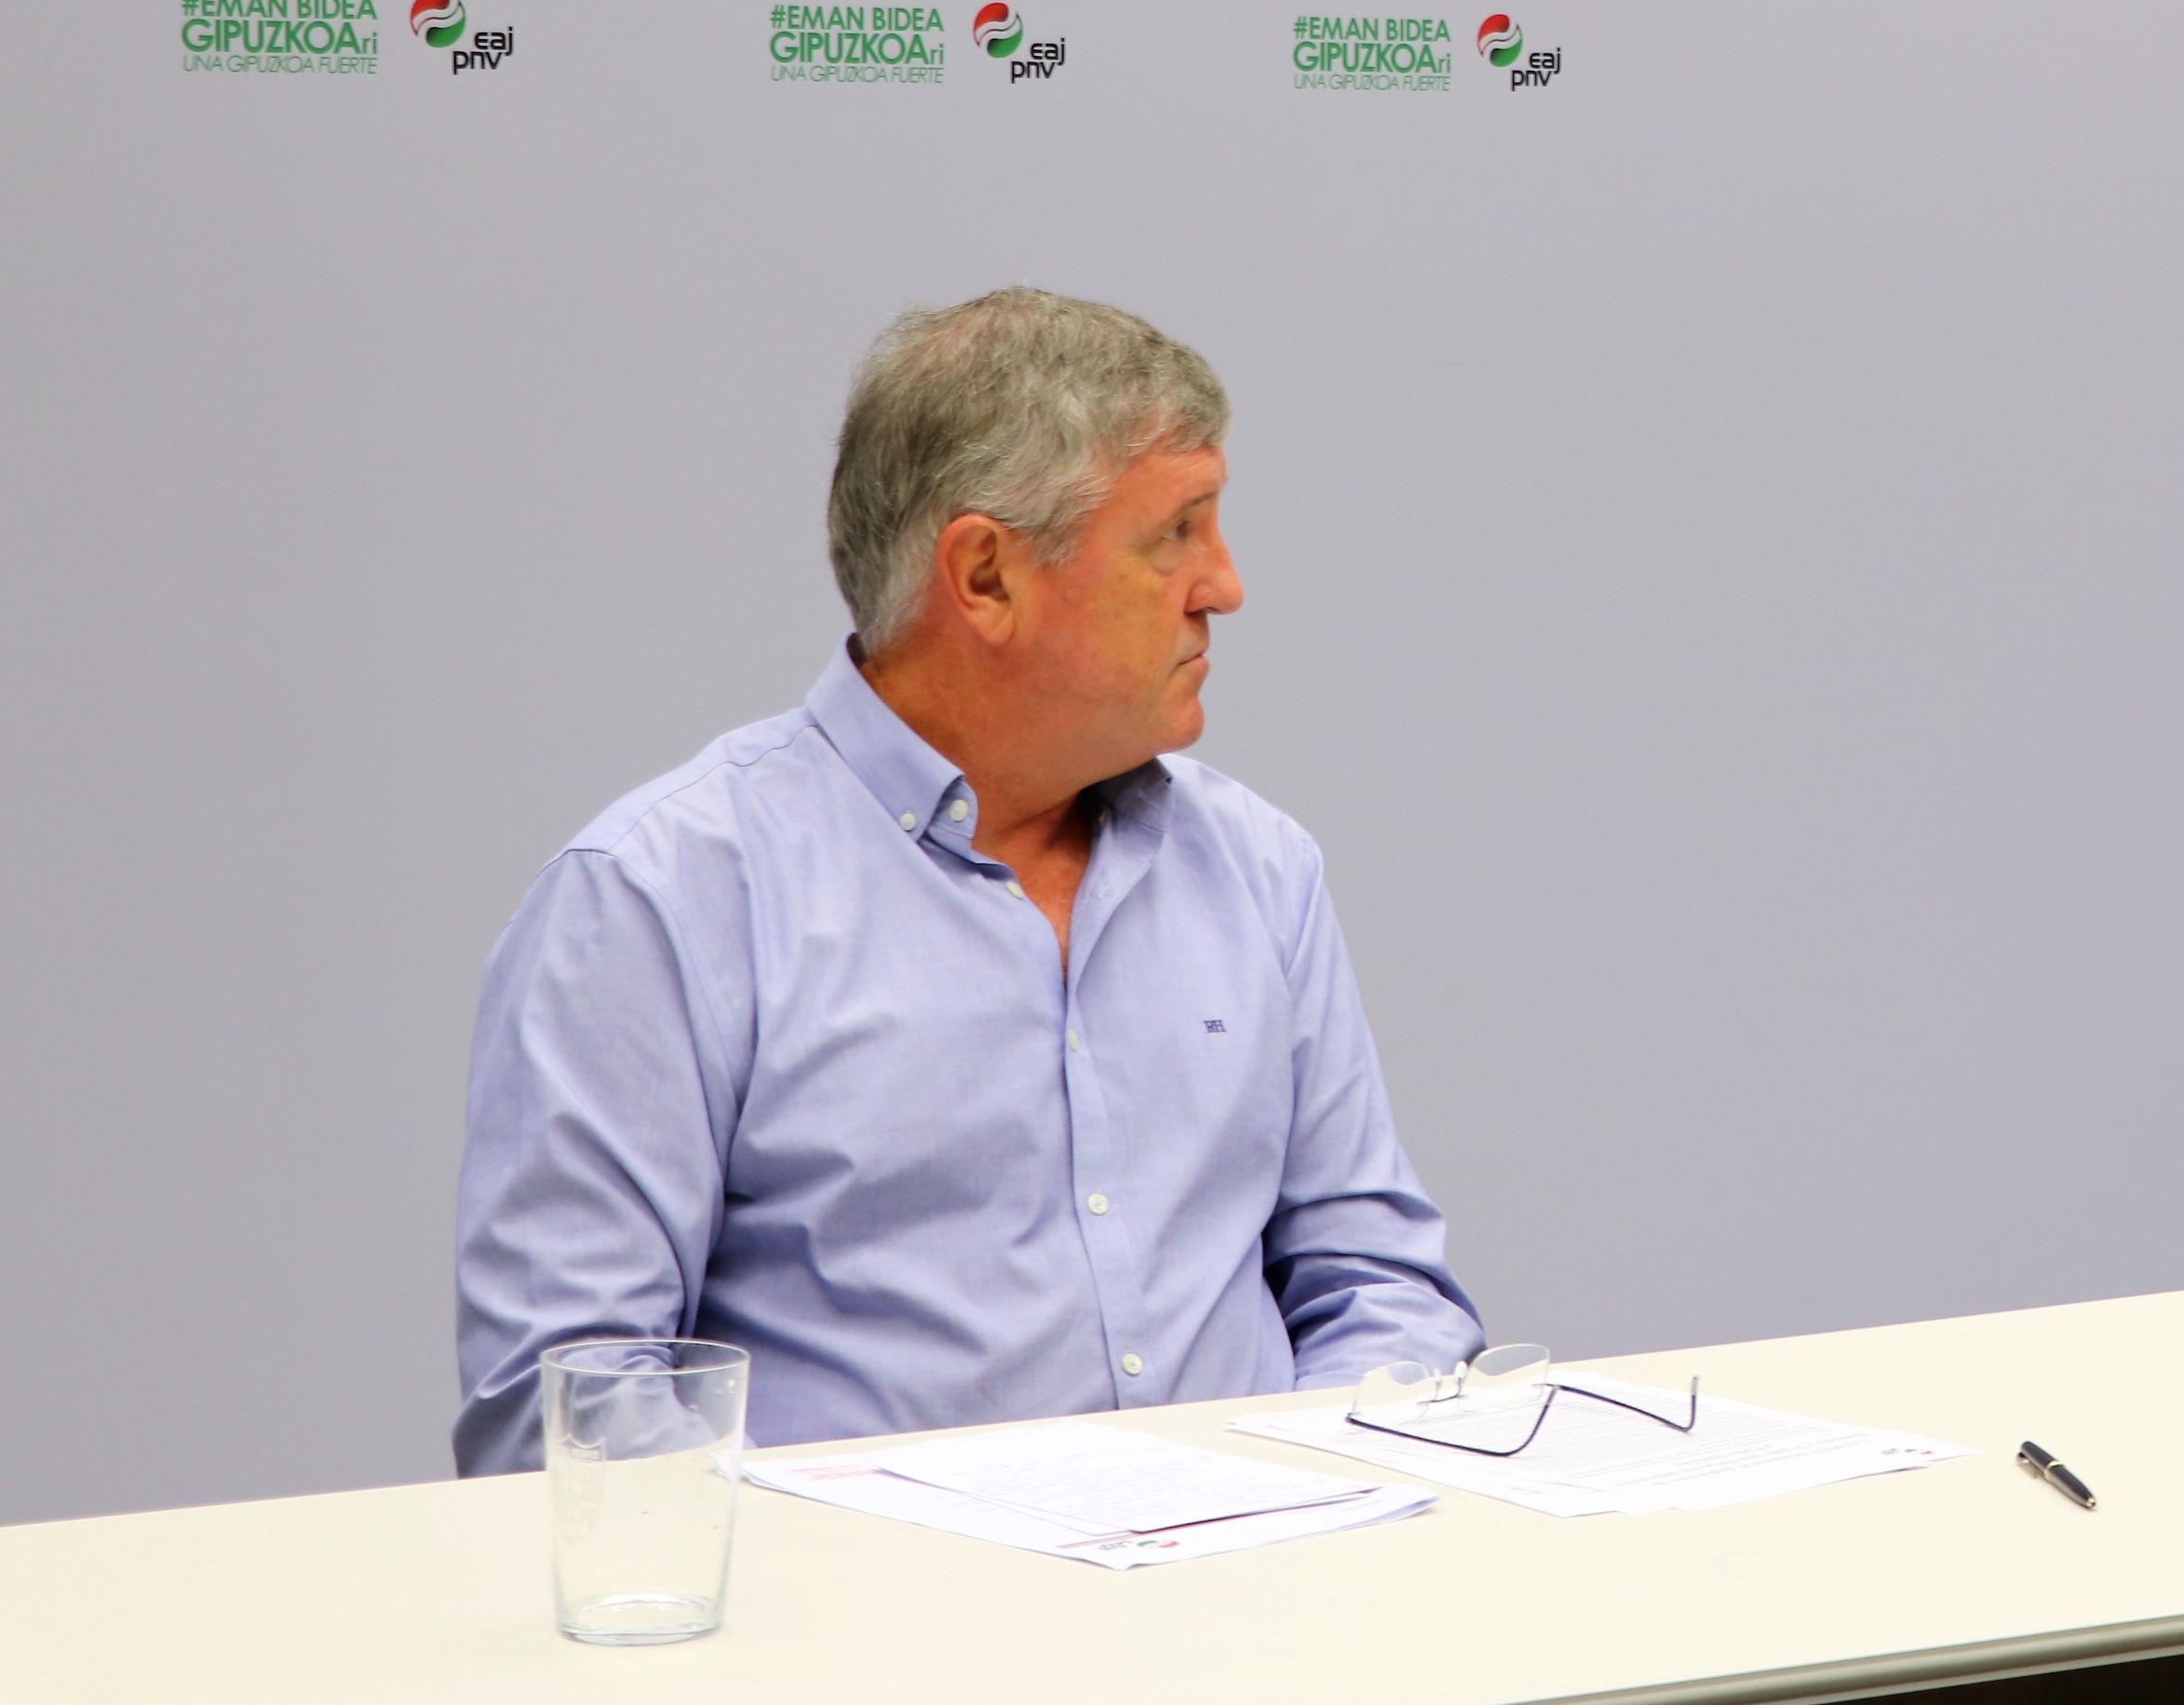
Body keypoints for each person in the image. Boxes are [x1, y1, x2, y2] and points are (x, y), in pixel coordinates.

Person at [452, 289, 1478, 1472]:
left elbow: (1379, 1288)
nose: (1224, 585)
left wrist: (1320, 1495)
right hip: (860, 1589)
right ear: (985, 576)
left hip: (1268, 1565)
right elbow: (571, 1411)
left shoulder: (1256, 866)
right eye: (1175, 534)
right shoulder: (659, 900)